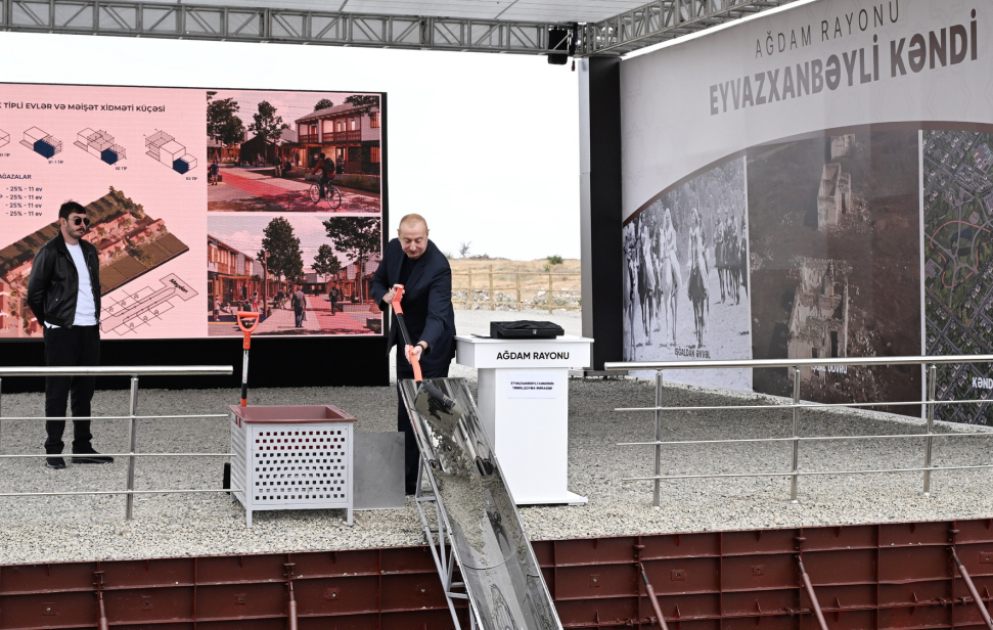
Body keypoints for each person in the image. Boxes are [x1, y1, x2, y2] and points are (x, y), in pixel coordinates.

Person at [371, 214, 456, 495]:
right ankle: (408, 483)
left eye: (418, 240)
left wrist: (421, 346)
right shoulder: (394, 249)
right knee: (406, 412)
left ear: (427, 235)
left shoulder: (439, 266)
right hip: (405, 343)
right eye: (407, 240)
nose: (413, 246)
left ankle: (447, 474)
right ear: (399, 236)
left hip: (431, 346)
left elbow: (438, 317)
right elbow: (378, 282)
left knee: (433, 412)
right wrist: (385, 296)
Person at [26, 201, 113, 469]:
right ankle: (53, 450)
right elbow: (34, 293)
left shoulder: (89, 250)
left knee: (84, 391)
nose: (83, 225)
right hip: (62, 331)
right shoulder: (49, 251)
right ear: (62, 222)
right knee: (57, 391)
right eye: (77, 220)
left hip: (89, 329)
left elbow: (92, 288)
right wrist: (51, 321)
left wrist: (91, 320)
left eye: (86, 221)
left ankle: (82, 447)